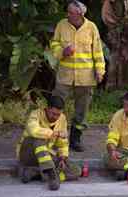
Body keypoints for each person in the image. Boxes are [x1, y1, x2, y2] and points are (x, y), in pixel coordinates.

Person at [50, 0, 106, 152]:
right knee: (56, 105)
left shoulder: (91, 27)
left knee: (82, 110)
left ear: (80, 14)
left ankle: (75, 139)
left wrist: (100, 71)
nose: (68, 15)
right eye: (67, 12)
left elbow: (98, 51)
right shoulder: (62, 25)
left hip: (86, 78)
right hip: (65, 76)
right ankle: (53, 137)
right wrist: (62, 52)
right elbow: (54, 44)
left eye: (71, 13)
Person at [16, 96, 81, 191]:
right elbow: (34, 131)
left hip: (45, 157)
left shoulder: (62, 118)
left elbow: (63, 143)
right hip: (28, 154)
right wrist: (54, 133)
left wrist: (63, 157)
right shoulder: (35, 114)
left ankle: (36, 173)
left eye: (58, 114)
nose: (56, 117)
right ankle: (51, 174)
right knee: (39, 140)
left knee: (76, 170)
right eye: (53, 114)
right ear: (47, 109)